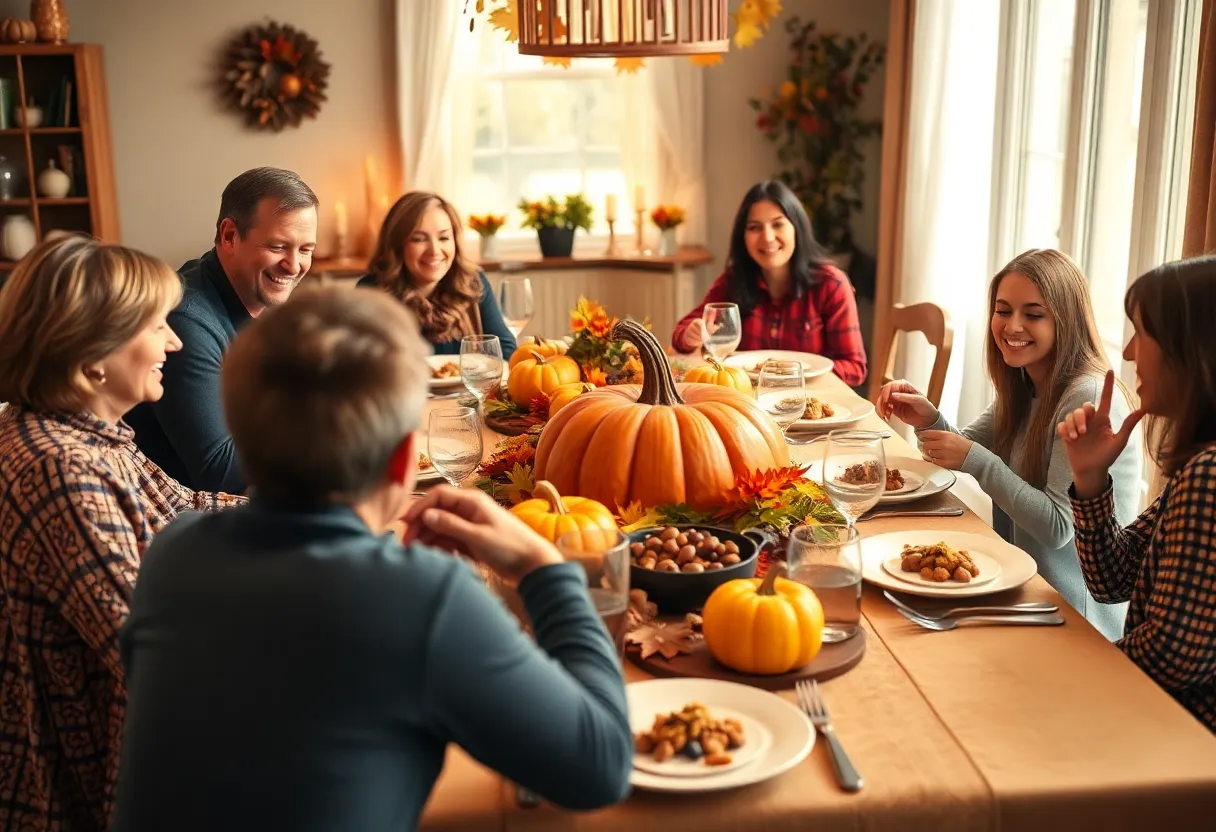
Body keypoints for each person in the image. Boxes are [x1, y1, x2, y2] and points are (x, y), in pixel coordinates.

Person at [112, 287, 632, 831]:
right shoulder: (426, 597)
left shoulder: (172, 555)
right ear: (405, 458)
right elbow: (601, 769)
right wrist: (543, 570)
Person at [0, 235, 244, 831]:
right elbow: (155, 653)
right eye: (156, 326)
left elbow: (187, 506)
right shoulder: (60, 466)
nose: (175, 342)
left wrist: (332, 516)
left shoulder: (87, 435)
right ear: (91, 354)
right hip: (91, 784)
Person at [878, 249, 1141, 640]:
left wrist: (975, 461)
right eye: (1003, 311)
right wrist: (929, 419)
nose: (1012, 326)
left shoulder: (1084, 397)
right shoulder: (1025, 384)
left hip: (1072, 622)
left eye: (1033, 314)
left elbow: (1057, 527)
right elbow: (965, 447)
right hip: (1023, 594)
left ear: (1064, 321)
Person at [1059, 257, 1216, 731]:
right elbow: (1112, 580)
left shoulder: (1210, 475)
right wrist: (1089, 479)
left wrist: (1066, 676)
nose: (1127, 353)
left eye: (1141, 334)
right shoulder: (1201, 465)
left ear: (1188, 350)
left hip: (1180, 744)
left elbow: (1174, 657)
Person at [126, 166, 319, 493]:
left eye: (305, 250)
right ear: (229, 236)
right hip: (192, 521)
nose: (294, 265)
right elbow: (223, 472)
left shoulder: (258, 296)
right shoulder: (185, 320)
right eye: (277, 247)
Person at [671, 180, 867, 386]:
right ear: (743, 236)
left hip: (810, 403)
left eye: (778, 224)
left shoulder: (832, 284)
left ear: (796, 228)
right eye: (755, 227)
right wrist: (690, 335)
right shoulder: (733, 280)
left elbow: (854, 368)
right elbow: (681, 334)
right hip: (746, 401)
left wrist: (790, 373)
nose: (767, 237)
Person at [358, 190, 517, 356]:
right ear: (397, 245)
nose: (434, 251)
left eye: (444, 238)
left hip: (468, 383)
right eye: (418, 239)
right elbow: (362, 367)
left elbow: (505, 350)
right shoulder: (372, 292)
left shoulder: (472, 282)